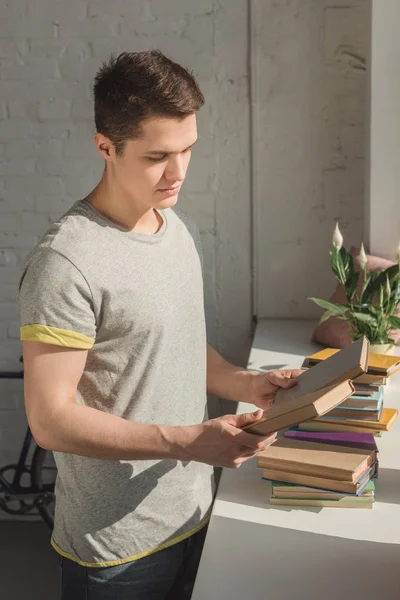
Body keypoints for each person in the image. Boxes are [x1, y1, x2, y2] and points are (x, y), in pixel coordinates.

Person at [17, 51, 301, 600]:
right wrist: (187, 441)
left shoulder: (171, 227)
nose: (178, 173)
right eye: (157, 156)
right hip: (115, 552)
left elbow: (175, 347)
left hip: (195, 513)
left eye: (187, 150)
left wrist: (246, 384)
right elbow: (49, 421)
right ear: (106, 146)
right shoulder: (65, 263)